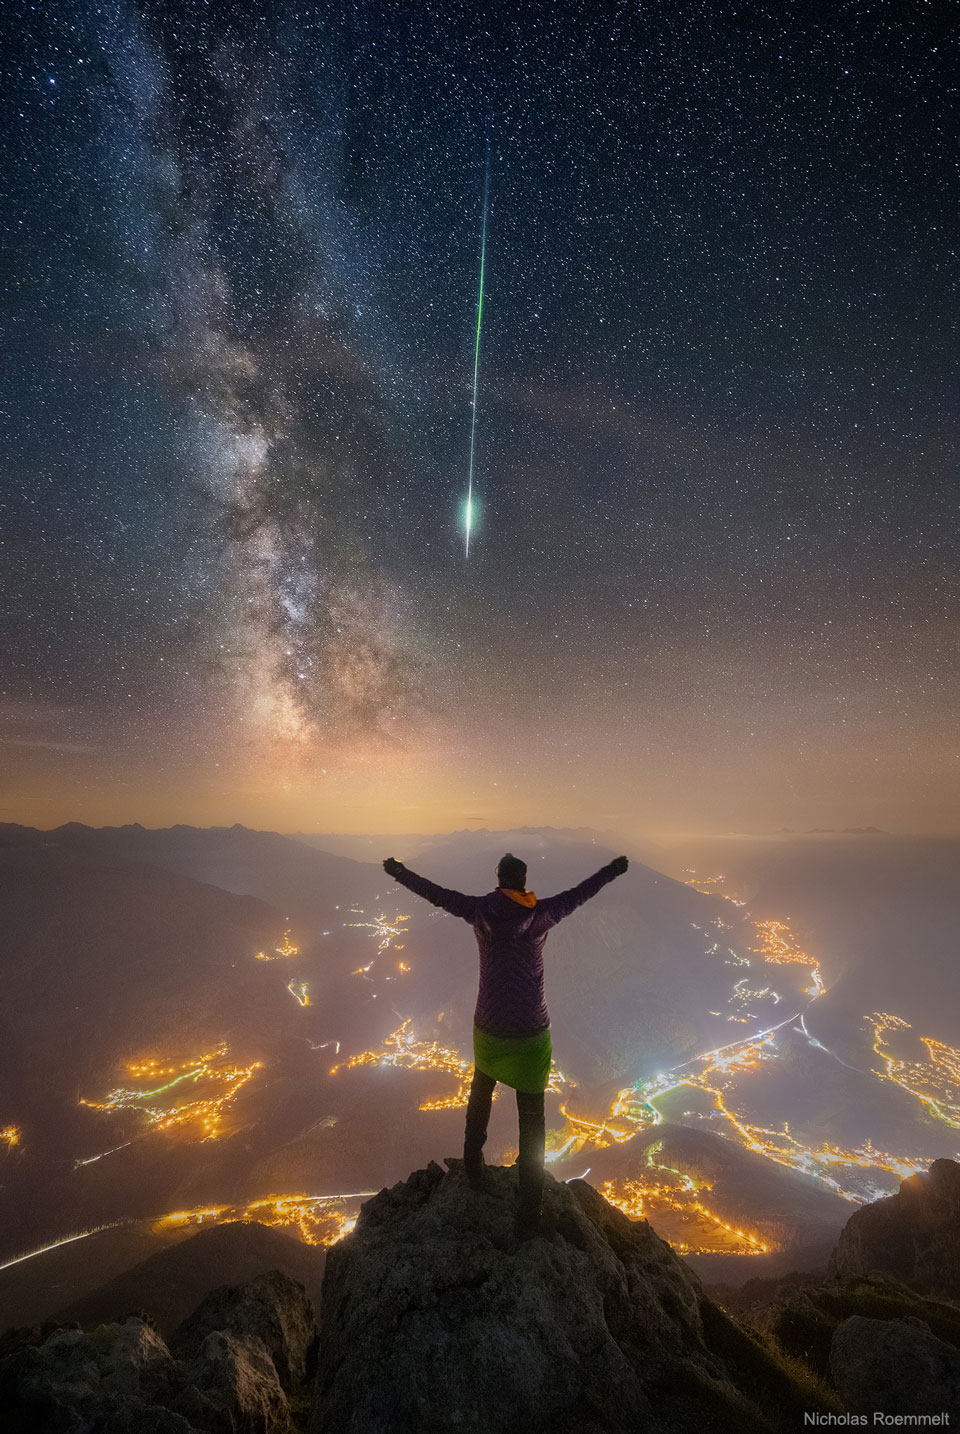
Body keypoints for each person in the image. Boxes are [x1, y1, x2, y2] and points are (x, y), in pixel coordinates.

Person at [382, 849, 629, 1239]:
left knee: (481, 1090)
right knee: (532, 1120)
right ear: (525, 882)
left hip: (489, 1027)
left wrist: (399, 873)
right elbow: (581, 893)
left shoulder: (481, 910)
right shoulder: (540, 914)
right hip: (531, 1032)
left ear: (498, 879)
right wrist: (612, 871)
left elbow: (436, 893)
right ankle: (529, 1214)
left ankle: (473, 1166)